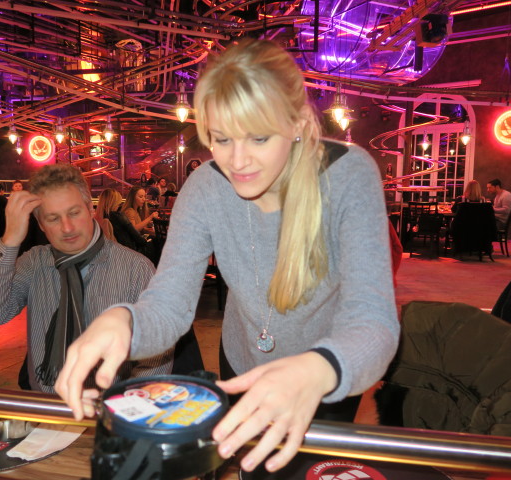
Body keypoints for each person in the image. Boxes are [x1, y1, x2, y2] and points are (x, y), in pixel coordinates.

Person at [54, 39, 399, 473]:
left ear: (295, 123)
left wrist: (318, 369)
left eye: (258, 137)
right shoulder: (206, 188)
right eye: (220, 138)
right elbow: (169, 303)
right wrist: (124, 320)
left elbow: (375, 321)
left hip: (323, 373)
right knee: (252, 470)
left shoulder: (349, 175)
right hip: (242, 363)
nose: (237, 162)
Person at [0, 164, 172, 393]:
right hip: (45, 405)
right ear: (41, 225)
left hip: (108, 407)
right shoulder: (35, 263)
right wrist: (9, 240)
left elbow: (156, 358)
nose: (67, 228)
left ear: (90, 209)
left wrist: (126, 410)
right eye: (53, 218)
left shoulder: (136, 269)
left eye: (74, 213)